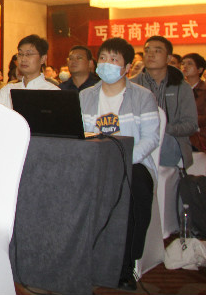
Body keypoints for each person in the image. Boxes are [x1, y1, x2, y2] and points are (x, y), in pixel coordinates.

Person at [79, 37, 159, 292]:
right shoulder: (85, 96)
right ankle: (79, 260)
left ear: (127, 67)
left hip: (134, 163)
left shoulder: (142, 96)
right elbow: (79, 134)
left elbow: (151, 138)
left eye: (114, 59)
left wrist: (124, 160)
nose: (107, 64)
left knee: (136, 188)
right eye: (103, 58)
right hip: (95, 163)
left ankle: (125, 267)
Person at [131, 35, 198, 168]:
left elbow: (191, 125)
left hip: (171, 145)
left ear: (168, 58)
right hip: (138, 143)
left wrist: (162, 129)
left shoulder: (182, 87)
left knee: (162, 142)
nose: (150, 54)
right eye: (147, 50)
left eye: (157, 51)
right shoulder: (131, 85)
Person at [0, 35, 59, 109]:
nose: (23, 59)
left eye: (28, 54)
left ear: (43, 59)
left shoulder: (53, 92)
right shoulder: (7, 90)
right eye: (20, 54)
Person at [182, 53, 206, 152]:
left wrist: (187, 121)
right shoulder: (178, 89)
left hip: (199, 139)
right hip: (181, 136)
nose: (185, 66)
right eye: (183, 63)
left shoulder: (204, 90)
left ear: (200, 70)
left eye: (190, 63)